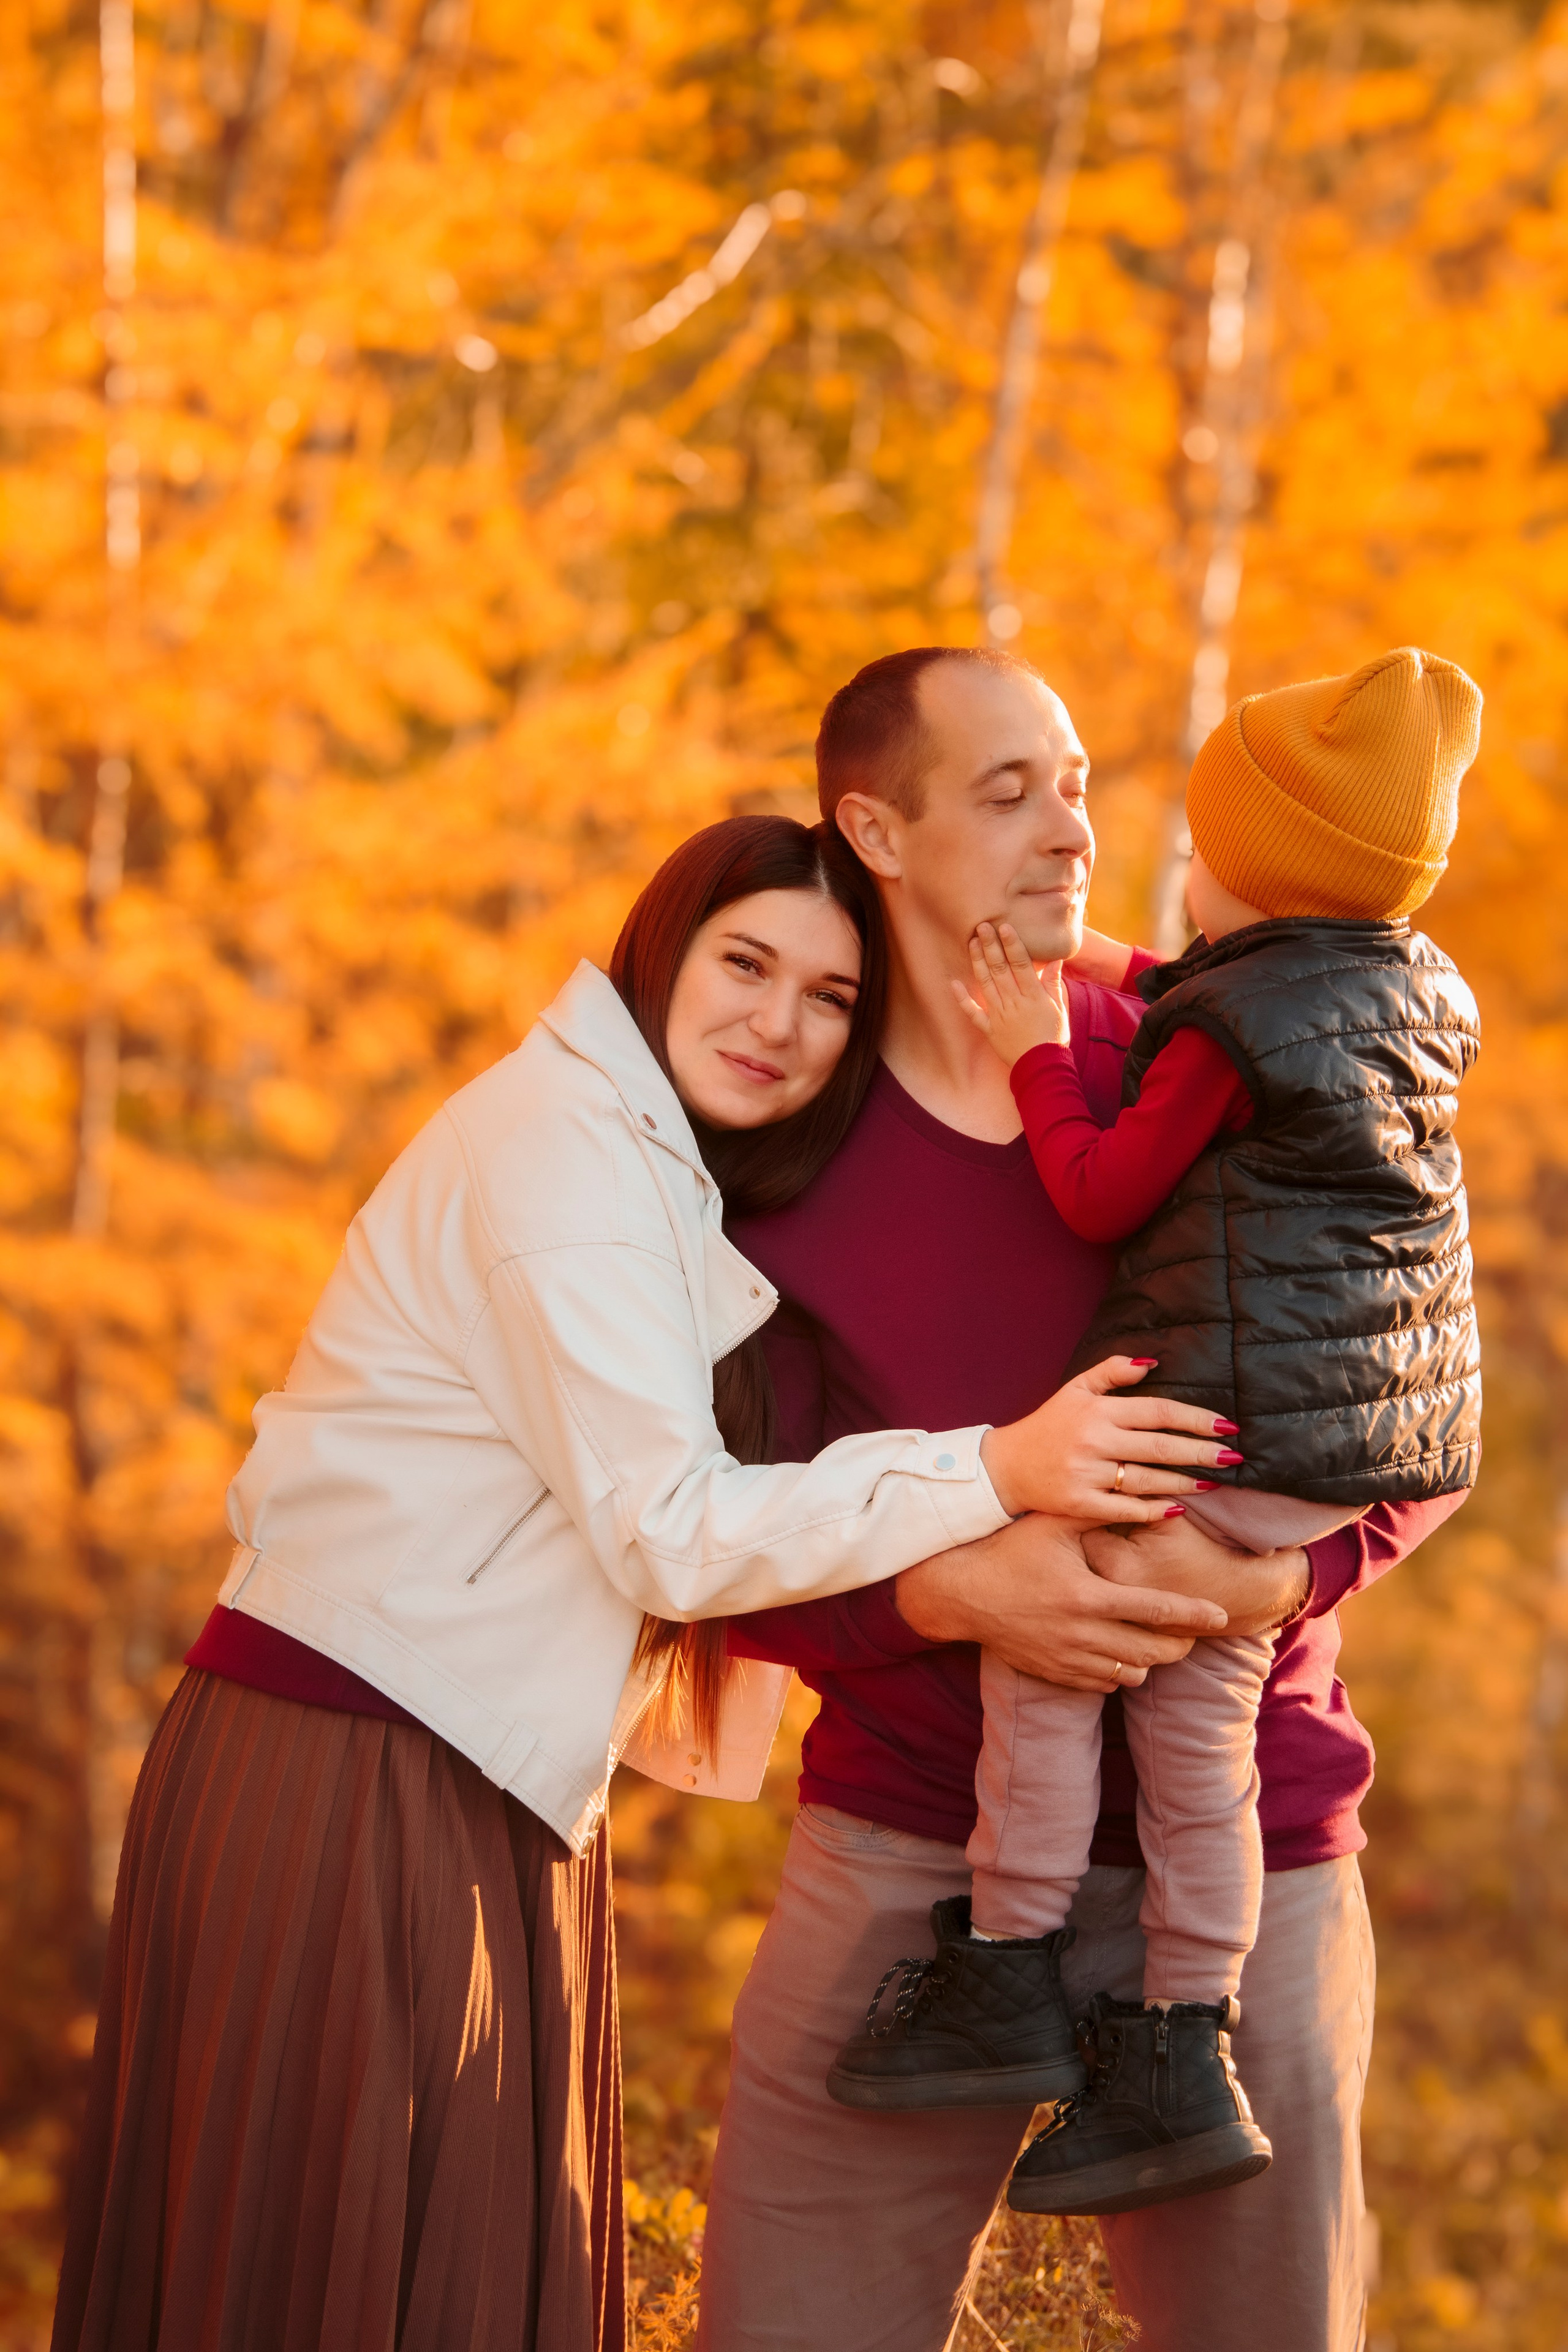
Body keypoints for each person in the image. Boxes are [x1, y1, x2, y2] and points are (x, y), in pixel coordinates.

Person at [51, 814, 1228, 2352]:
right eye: (747, 964)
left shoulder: (654, 1158)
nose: (779, 1025)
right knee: (331, 2271)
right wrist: (994, 1470)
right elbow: (668, 1529)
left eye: (829, 999)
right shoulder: (563, 1154)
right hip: (353, 1762)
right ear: (662, 948)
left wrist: (1115, 951)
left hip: (479, 1763)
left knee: (452, 2259)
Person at [698, 649, 1469, 2352]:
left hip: (1249, 1856)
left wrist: (1282, 1579)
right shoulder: (771, 1141)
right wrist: (939, 1596)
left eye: (1078, 784)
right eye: (1008, 792)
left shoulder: (1220, 1051)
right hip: (909, 1852)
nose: (1071, 827)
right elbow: (693, 1534)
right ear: (874, 833)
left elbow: (1404, 1388)